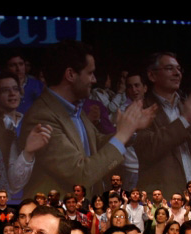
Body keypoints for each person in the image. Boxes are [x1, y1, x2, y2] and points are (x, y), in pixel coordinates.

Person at [18, 40, 156, 197]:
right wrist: (122, 134)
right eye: (90, 73)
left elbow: (96, 143)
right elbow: (80, 174)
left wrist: (131, 130)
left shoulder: (74, 108)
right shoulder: (42, 117)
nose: (94, 80)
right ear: (70, 74)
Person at [135, 51, 191, 198]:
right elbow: (148, 150)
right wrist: (183, 121)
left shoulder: (190, 105)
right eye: (170, 68)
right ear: (152, 75)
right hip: (165, 200)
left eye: (178, 69)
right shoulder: (141, 109)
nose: (177, 73)